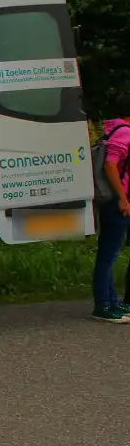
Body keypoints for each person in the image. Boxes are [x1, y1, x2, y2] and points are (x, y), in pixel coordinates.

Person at [93, 95, 130, 323]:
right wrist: (122, 198)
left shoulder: (113, 129)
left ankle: (111, 301)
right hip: (116, 202)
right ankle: (103, 306)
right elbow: (110, 164)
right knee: (109, 255)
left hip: (113, 200)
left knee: (109, 253)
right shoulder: (125, 132)